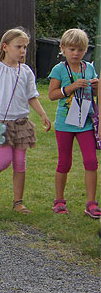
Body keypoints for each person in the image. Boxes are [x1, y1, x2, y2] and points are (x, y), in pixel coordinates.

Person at [0, 28, 51, 214]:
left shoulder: (26, 71)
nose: (22, 51)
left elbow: (32, 96)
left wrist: (43, 114)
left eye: (25, 47)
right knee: (4, 161)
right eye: (18, 46)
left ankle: (18, 202)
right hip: (0, 123)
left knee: (20, 162)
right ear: (5, 47)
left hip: (21, 123)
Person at [47, 28, 100, 218]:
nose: (76, 53)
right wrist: (70, 87)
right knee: (64, 162)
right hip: (65, 124)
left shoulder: (89, 68)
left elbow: (94, 94)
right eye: (72, 49)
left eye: (80, 50)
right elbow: (52, 95)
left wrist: (95, 87)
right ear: (62, 48)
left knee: (91, 161)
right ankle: (59, 200)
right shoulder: (59, 69)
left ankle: (91, 203)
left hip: (85, 122)